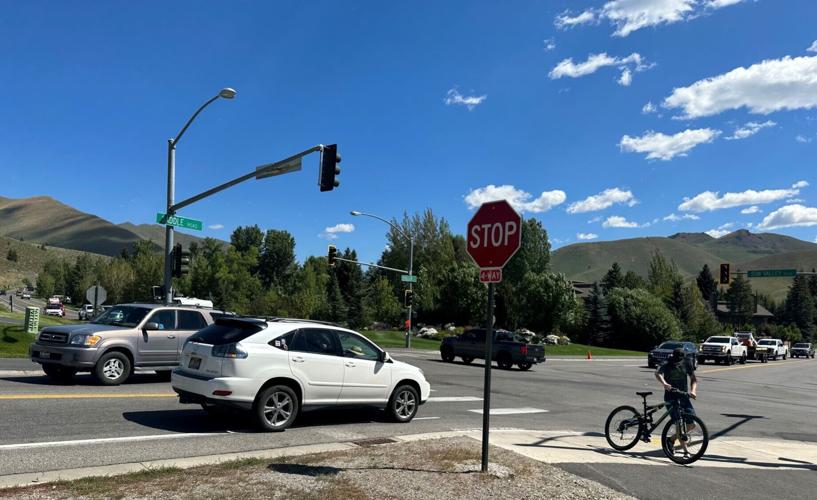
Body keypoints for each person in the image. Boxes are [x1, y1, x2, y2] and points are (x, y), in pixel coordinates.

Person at [654, 347, 698, 456]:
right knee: (679, 424)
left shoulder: (687, 362)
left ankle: (671, 440)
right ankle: (686, 451)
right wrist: (664, 383)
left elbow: (693, 378)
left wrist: (693, 391)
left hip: (683, 396)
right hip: (670, 397)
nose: (678, 362)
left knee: (692, 425)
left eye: (680, 360)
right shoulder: (667, 362)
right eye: (676, 359)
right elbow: (657, 373)